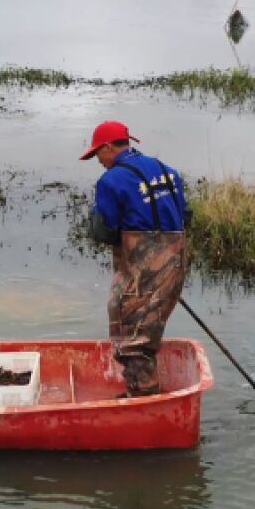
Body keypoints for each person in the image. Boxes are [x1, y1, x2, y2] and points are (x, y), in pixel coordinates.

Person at [81, 121, 189, 397]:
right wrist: (167, 266)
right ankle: (138, 386)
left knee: (134, 334)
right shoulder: (169, 171)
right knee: (122, 310)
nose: (99, 162)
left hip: (143, 264)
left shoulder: (111, 180)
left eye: (97, 155)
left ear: (107, 148)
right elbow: (185, 216)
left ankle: (145, 397)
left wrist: (95, 215)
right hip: (175, 258)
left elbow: (105, 231)